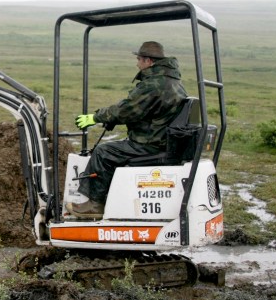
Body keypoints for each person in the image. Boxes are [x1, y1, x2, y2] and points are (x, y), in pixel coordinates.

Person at [68, 41, 188, 217]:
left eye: (139, 59)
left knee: (103, 152)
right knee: (112, 149)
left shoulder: (154, 84)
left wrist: (95, 117)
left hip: (150, 143)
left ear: (148, 61)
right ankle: (108, 197)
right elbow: (144, 112)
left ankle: (94, 206)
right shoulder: (172, 81)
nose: (137, 63)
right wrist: (114, 119)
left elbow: (126, 109)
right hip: (162, 140)